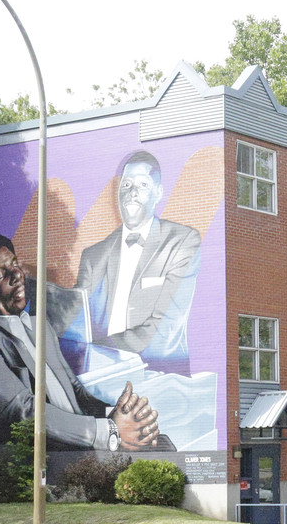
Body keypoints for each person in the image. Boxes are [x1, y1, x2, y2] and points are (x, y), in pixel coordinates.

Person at [0, 234, 172, 451]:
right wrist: (110, 431)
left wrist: (119, 415)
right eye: (0, 273)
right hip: (42, 456)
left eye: (15, 263)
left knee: (161, 444)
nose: (16, 274)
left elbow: (75, 391)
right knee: (160, 454)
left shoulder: (40, 327)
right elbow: (25, 412)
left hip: (80, 443)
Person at [74, 151, 201, 373]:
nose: (132, 193)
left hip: (159, 378)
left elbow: (165, 329)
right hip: (97, 381)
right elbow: (75, 321)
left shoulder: (182, 242)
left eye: (142, 185)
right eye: (126, 185)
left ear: (158, 192)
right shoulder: (93, 255)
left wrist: (101, 350)